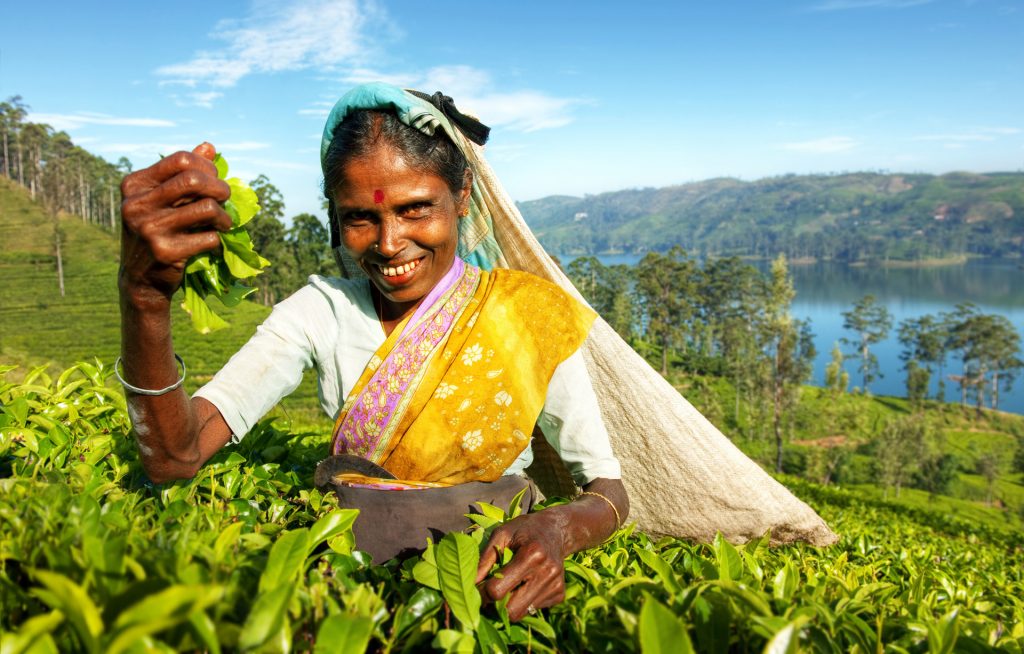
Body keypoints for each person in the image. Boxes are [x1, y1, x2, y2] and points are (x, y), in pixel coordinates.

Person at [118, 82, 629, 621]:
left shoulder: (529, 315)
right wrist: (145, 300)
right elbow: (176, 457)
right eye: (361, 217)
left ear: (462, 196)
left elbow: (608, 492)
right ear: (336, 216)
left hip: (493, 602)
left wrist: (557, 530)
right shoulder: (321, 312)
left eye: (415, 210)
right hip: (351, 600)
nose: (388, 244)